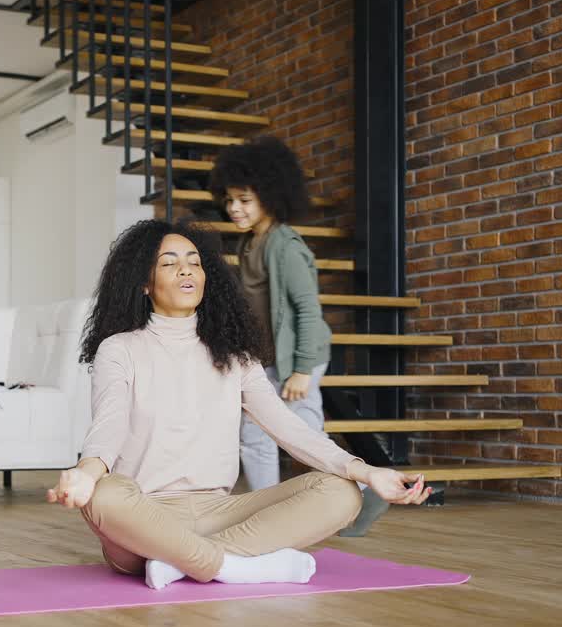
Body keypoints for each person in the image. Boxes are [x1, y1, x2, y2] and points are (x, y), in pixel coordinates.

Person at [46, 219, 430, 591]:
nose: (186, 270)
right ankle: (233, 567)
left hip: (220, 515)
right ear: (145, 283)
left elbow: (289, 428)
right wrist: (86, 473)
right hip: (145, 518)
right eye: (169, 263)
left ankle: (188, 563)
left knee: (343, 492)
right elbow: (108, 426)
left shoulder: (235, 356)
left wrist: (366, 472)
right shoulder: (120, 349)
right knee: (104, 493)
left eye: (194, 262)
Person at [208, 135, 390, 536]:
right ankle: (267, 512)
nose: (234, 208)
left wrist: (303, 370)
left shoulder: (286, 247)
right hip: (270, 360)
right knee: (254, 436)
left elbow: (309, 311)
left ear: (270, 196)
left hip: (298, 361)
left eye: (244, 200)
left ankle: (364, 491)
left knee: (307, 439)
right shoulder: (249, 242)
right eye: (230, 200)